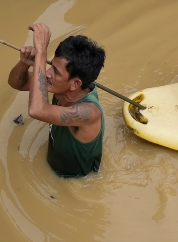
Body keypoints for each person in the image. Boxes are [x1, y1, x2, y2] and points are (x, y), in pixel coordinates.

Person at [7, 23, 106, 177]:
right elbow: (16, 83)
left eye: (56, 72)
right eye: (51, 65)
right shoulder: (60, 86)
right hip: (54, 165)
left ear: (75, 84)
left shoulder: (89, 112)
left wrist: (41, 52)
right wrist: (24, 63)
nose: (47, 73)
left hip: (77, 181)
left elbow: (36, 110)